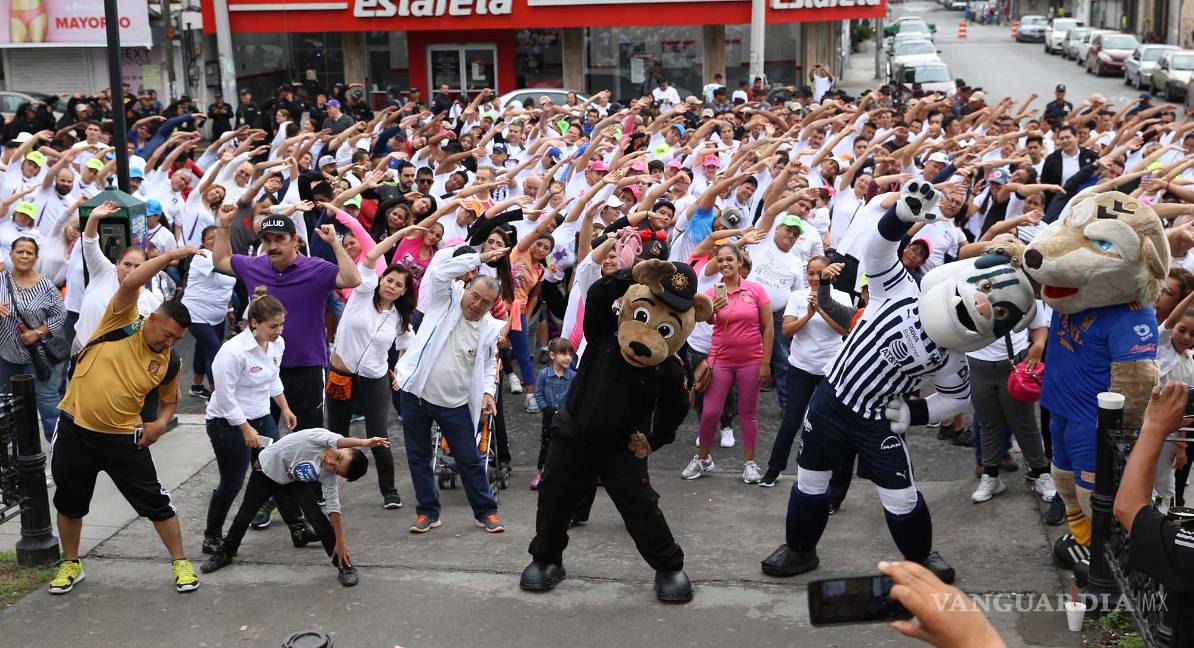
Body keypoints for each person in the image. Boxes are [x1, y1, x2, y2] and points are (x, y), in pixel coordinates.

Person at [48, 242, 202, 596]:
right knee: (70, 502)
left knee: (156, 503)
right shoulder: (120, 320)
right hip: (76, 431)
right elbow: (131, 283)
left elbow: (168, 403)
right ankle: (71, 563)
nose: (169, 343)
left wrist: (160, 424)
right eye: (166, 334)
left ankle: (180, 562)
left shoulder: (169, 361)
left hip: (124, 439)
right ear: (151, 320)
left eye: (177, 339)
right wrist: (166, 259)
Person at [212, 207, 361, 432]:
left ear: (295, 241)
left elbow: (352, 279)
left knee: (307, 436)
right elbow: (221, 260)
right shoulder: (254, 266)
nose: (273, 246)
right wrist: (224, 226)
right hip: (261, 365)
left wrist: (335, 243)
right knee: (261, 437)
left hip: (306, 366)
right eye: (267, 240)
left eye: (279, 239)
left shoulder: (316, 268)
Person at [393, 248, 507, 534]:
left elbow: (488, 366)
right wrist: (479, 258)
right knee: (418, 457)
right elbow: (440, 271)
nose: (478, 304)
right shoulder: (444, 301)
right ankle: (428, 512)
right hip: (416, 394)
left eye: (486, 302)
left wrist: (489, 393)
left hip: (454, 403)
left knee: (469, 459)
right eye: (475, 296)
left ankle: (486, 512)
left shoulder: (489, 329)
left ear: (493, 305)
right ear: (466, 288)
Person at [201, 428, 389, 587]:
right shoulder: (321, 437)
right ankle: (226, 553)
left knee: (317, 518)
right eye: (339, 457)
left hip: (291, 480)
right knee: (245, 514)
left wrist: (340, 541)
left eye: (336, 469)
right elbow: (338, 439)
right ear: (340, 448)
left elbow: (333, 507)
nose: (332, 463)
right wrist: (365, 442)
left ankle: (343, 565)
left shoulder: (329, 473)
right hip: (265, 471)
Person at [200, 287, 309, 556]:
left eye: (282, 324)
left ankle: (298, 528)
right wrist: (244, 428)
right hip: (227, 424)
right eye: (273, 326)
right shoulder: (232, 352)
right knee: (233, 482)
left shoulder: (276, 345)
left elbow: (273, 378)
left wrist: (285, 409)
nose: (279, 330)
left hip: (261, 419)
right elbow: (224, 397)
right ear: (254, 324)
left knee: (277, 472)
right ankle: (211, 536)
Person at [326, 226, 420, 509]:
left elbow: (408, 346)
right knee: (336, 436)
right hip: (340, 376)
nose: (391, 286)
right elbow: (371, 255)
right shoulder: (362, 292)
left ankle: (389, 491)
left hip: (374, 382)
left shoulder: (400, 318)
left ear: (404, 291)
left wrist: (398, 371)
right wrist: (402, 232)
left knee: (379, 437)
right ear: (381, 280)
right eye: (388, 280)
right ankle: (326, 490)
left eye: (398, 285)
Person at [681, 243, 772, 484]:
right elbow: (708, 321)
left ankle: (750, 464)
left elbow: (768, 327)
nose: (725, 264)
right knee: (710, 412)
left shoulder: (756, 290)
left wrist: (766, 362)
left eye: (730, 259)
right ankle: (703, 459)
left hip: (751, 360)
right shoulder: (712, 293)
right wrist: (712, 311)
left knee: (748, 413)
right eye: (720, 260)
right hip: (720, 359)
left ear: (740, 262)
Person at [759, 257, 851, 489]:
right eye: (810, 273)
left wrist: (822, 307)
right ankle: (774, 468)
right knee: (790, 421)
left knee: (827, 425)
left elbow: (844, 330)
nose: (814, 278)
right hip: (800, 368)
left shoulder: (842, 297)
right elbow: (786, 330)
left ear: (829, 275)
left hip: (830, 371)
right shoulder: (797, 297)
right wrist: (808, 315)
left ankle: (827, 476)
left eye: (819, 273)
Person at [0, 236, 65, 441]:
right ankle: (10, 454)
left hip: (37, 355)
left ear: (36, 257)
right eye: (20, 251)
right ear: (11, 254)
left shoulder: (46, 286)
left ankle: (60, 452)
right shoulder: (1, 280)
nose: (24, 256)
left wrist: (37, 333)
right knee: (6, 404)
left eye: (29, 252)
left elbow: (59, 315)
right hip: (5, 354)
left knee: (47, 403)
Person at [74, 201, 160, 351]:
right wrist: (94, 217)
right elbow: (89, 243)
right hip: (80, 347)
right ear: (117, 263)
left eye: (138, 267)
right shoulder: (103, 271)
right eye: (127, 264)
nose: (131, 270)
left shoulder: (150, 299)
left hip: (112, 359)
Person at [181, 226, 235, 399]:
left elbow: (226, 287)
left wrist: (229, 309)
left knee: (202, 348)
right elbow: (231, 269)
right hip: (195, 314)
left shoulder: (229, 257)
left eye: (219, 237)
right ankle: (217, 395)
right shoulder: (202, 255)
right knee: (215, 352)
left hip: (218, 316)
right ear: (204, 242)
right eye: (211, 238)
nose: (215, 240)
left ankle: (197, 386)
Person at [530, 337, 575, 490]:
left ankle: (563, 475)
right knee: (546, 445)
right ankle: (540, 474)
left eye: (570, 354)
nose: (568, 357)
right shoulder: (544, 375)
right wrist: (546, 409)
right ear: (552, 355)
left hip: (565, 418)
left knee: (566, 446)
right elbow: (539, 394)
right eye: (564, 354)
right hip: (549, 417)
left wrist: (566, 412)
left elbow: (574, 397)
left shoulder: (573, 377)